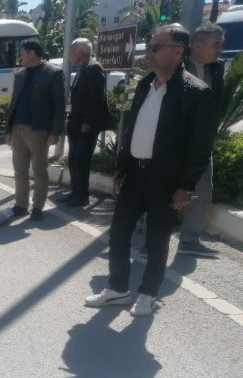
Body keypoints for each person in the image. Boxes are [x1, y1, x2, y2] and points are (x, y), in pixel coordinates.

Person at [85, 24, 217, 317]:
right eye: (151, 46)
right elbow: (134, 129)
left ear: (178, 51)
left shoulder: (196, 93)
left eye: (156, 47)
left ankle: (148, 294)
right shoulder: (146, 84)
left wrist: (186, 185)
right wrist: (123, 166)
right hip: (136, 174)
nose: (150, 52)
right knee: (118, 234)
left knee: (156, 240)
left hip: (166, 179)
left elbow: (200, 146)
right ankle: (118, 289)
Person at [176, 23, 225, 258]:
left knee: (203, 189)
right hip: (174, 140)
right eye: (216, 43)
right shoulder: (176, 64)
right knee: (162, 186)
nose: (220, 48)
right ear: (197, 45)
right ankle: (147, 233)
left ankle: (189, 239)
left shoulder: (217, 69)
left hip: (202, 142)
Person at [4, 40, 66, 220]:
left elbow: (59, 105)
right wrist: (8, 130)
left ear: (32, 54)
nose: (20, 58)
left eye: (22, 54)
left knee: (39, 170)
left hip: (39, 131)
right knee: (19, 169)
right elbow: (13, 103)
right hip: (18, 129)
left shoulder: (53, 73)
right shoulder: (20, 75)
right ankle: (21, 204)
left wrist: (55, 132)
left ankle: (38, 207)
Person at [61, 38, 110, 208]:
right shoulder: (83, 68)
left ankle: (82, 196)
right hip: (75, 122)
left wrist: (88, 122)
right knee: (73, 159)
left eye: (71, 51)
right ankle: (75, 191)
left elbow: (97, 99)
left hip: (86, 125)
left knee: (82, 161)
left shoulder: (93, 68)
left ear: (79, 53)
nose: (69, 56)